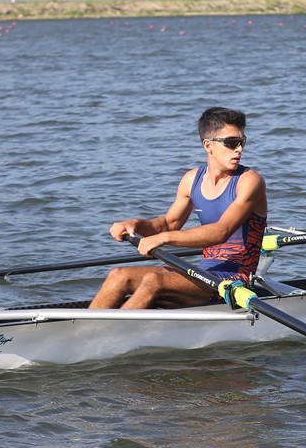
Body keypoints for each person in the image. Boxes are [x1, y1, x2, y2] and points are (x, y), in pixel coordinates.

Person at [89, 107, 268, 309]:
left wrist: (163, 239)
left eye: (242, 142)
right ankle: (82, 332)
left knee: (153, 281)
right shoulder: (191, 180)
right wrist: (135, 224)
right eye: (231, 143)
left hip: (234, 279)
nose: (239, 149)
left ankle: (109, 337)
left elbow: (221, 232)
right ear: (208, 145)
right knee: (118, 276)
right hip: (204, 272)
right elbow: (169, 223)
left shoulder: (250, 181)